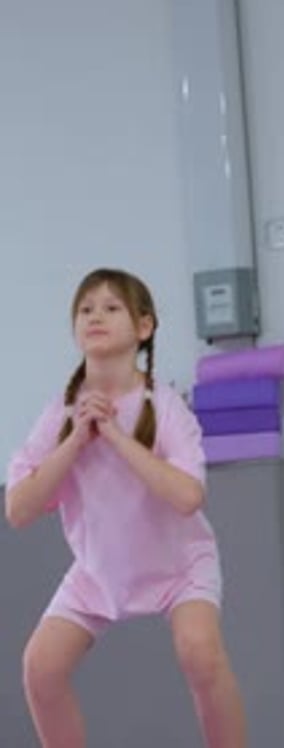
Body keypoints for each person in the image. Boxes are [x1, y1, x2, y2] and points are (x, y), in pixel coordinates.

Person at [5, 267, 247, 748]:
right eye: (85, 309)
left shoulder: (166, 406)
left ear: (144, 326)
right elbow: (19, 510)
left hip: (180, 566)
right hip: (98, 571)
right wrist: (76, 440)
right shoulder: (60, 414)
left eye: (111, 307)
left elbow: (188, 497)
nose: (95, 316)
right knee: (40, 668)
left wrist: (115, 436)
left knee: (200, 653)